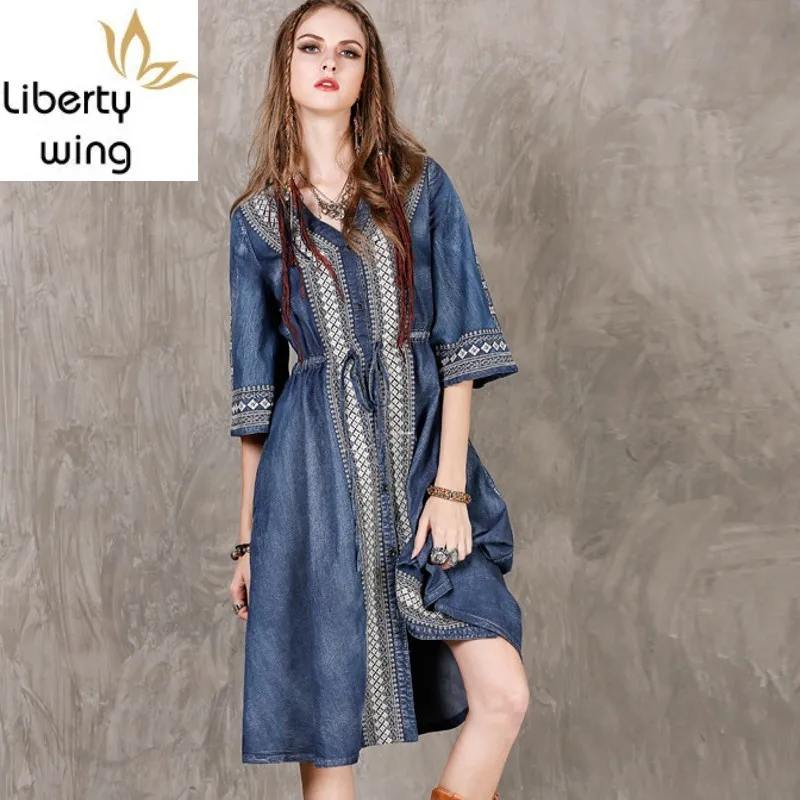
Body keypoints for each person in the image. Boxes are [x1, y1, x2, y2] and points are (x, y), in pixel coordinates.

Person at [226, 2, 529, 798]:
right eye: (311, 47)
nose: (329, 62)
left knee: (502, 696)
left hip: (422, 465)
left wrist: (451, 487)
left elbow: (460, 344)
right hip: (311, 489)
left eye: (349, 51)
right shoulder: (256, 223)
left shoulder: (419, 188)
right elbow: (255, 398)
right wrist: (249, 544)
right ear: (287, 69)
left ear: (368, 75)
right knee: (328, 740)